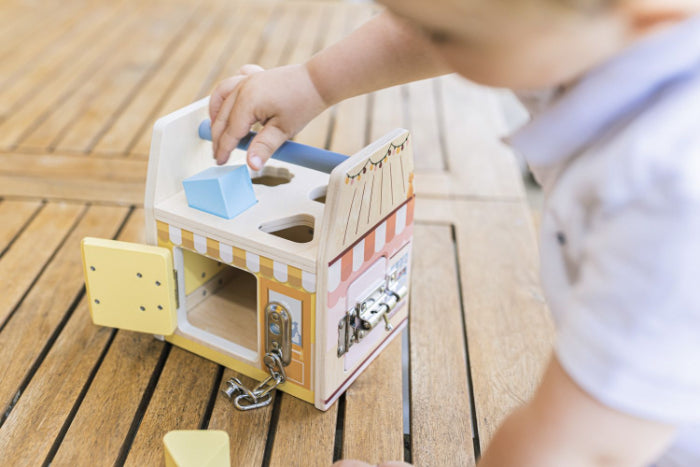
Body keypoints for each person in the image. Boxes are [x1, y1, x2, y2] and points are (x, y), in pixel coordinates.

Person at [207, 0, 700, 464]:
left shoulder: (669, 193)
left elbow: (583, 448)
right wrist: (313, 81)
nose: (427, 38)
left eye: (445, 35)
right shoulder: (592, 33)